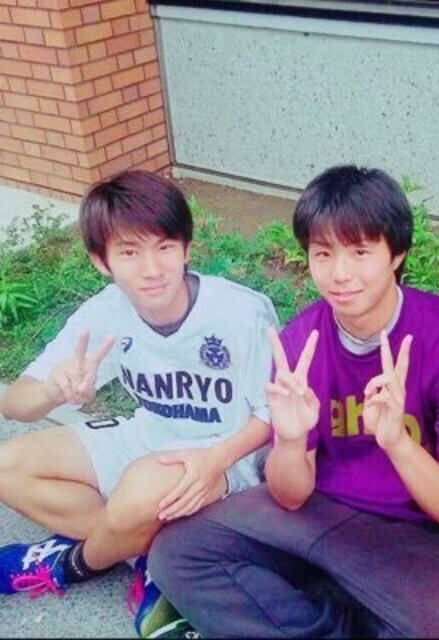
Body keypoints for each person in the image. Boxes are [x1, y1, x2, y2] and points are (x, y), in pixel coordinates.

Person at [148, 164, 439, 638]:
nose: (340, 274)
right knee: (178, 553)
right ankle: (335, 617)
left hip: (410, 536)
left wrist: (398, 444)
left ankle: (314, 611)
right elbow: (290, 495)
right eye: (323, 253)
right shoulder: (301, 342)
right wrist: (291, 441)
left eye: (360, 251)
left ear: (396, 253)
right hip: (315, 514)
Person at [0, 170, 278, 638]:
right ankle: (148, 557)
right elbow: (14, 403)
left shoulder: (239, 312)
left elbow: (274, 413)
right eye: (129, 252)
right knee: (8, 466)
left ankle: (71, 563)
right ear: (101, 261)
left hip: (225, 456)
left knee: (139, 492)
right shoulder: (106, 311)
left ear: (186, 248)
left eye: (164, 247)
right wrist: (52, 391)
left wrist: (216, 459)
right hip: (147, 437)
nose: (152, 269)